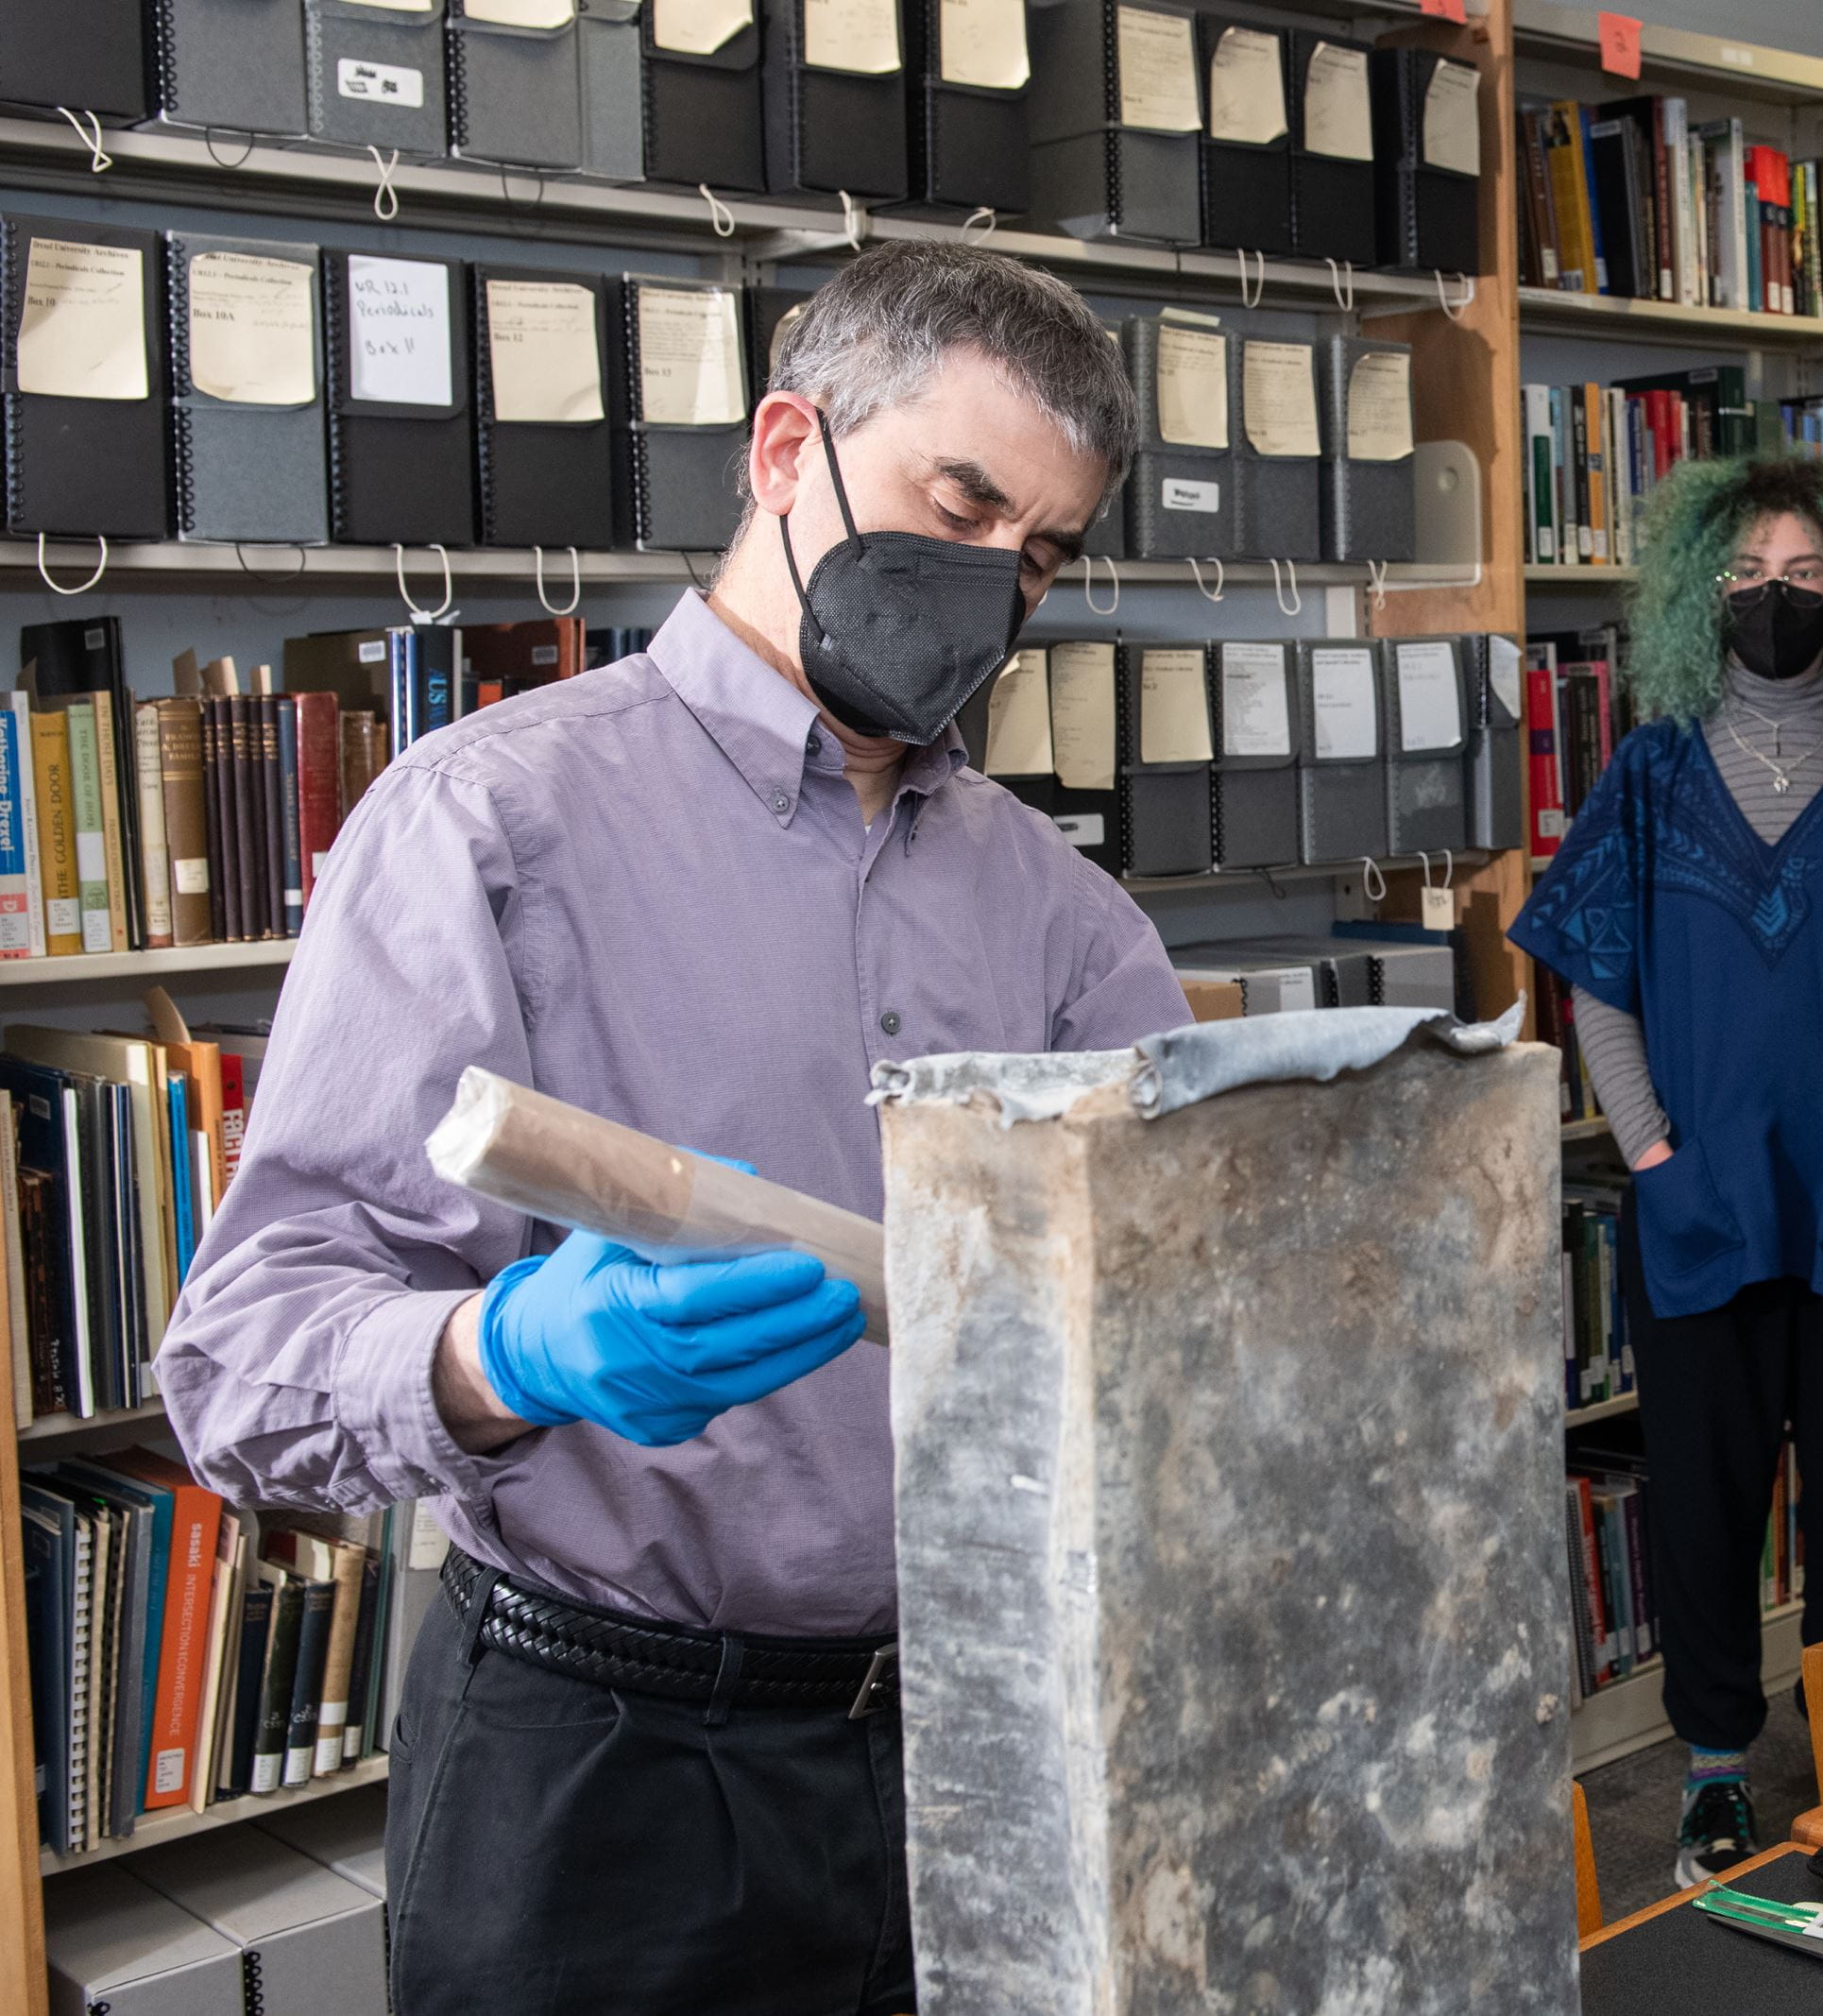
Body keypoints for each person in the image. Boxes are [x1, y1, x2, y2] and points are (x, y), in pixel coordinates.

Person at [157, 245, 1190, 2015]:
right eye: (960, 499)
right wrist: (508, 1347)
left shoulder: (1065, 920)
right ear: (789, 448)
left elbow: (1175, 1317)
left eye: (1041, 553)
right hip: (601, 1770)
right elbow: (240, 1368)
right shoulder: (486, 821)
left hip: (975, 1742)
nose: (994, 581)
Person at [1511, 454, 1823, 1888]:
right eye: (1745, 576)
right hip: (1703, 1210)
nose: (1774, 598)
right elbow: (1595, 983)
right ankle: (1720, 1770)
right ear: (1698, 597)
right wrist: (1654, 1151)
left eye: (1802, 575)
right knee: (1706, 1505)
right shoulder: (1654, 769)